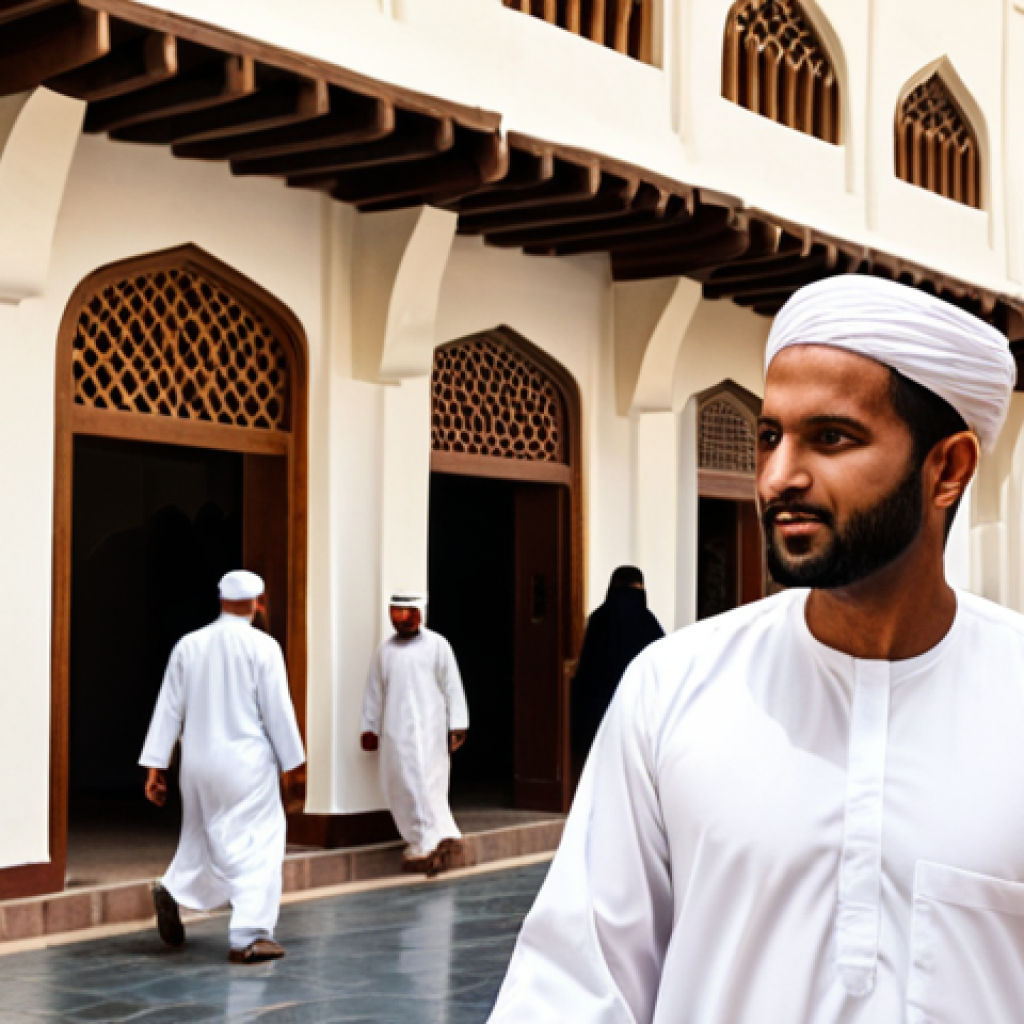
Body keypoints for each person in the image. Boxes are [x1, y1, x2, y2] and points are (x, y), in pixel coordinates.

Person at [486, 275, 1024, 1023]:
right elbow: (575, 985)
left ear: (948, 469)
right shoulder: (674, 689)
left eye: (831, 438)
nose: (777, 477)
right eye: (770, 436)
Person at [140, 569, 306, 965]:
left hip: (196, 765)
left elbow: (168, 709)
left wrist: (155, 767)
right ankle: (250, 934)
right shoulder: (263, 648)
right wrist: (295, 766)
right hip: (246, 764)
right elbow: (278, 712)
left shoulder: (189, 645)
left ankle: (174, 889)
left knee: (202, 836)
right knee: (260, 843)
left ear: (221, 599)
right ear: (258, 602)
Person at [361, 592, 469, 876]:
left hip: (431, 729)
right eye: (397, 615)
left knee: (430, 781)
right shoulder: (384, 652)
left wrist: (457, 724)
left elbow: (452, 687)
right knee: (403, 783)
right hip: (397, 733)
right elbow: (374, 693)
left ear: (420, 614)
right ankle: (425, 839)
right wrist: (369, 727)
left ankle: (430, 843)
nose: (402, 621)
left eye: (408, 615)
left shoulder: (437, 645)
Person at [571, 566, 664, 767]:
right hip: (639, 717)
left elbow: (584, 667)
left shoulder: (598, 620)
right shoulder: (648, 622)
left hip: (598, 713)